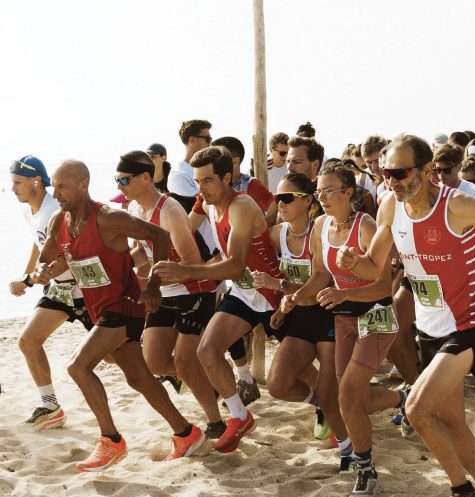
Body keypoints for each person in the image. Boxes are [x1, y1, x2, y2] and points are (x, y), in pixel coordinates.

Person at [337, 134, 475, 497]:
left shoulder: (455, 205)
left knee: (416, 409)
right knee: (452, 422)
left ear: (427, 171)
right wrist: (352, 262)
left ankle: (461, 492)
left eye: (400, 172)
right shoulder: (390, 204)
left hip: (467, 325)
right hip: (430, 328)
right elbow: (375, 266)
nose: (391, 180)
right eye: (386, 172)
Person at [34, 160, 204, 471]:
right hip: (101, 309)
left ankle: (110, 441)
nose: (54, 193)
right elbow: (50, 259)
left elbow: (160, 236)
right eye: (53, 186)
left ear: (83, 184)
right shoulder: (60, 221)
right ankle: (186, 433)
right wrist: (41, 272)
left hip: (124, 305)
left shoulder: (109, 217)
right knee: (139, 378)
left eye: (61, 186)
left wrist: (153, 281)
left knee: (78, 367)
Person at [278, 163, 404, 497]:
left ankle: (364, 468)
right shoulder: (320, 225)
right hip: (343, 318)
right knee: (352, 398)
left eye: (328, 190)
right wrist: (295, 299)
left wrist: (345, 291)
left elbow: (383, 287)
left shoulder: (366, 227)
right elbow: (320, 274)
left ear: (348, 192)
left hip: (375, 316)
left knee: (347, 394)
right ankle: (404, 399)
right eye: (318, 191)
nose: (321, 196)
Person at [154, 146, 286, 454]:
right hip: (243, 292)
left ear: (227, 178)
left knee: (294, 378)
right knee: (207, 351)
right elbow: (181, 231)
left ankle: (327, 412)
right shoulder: (206, 200)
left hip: (271, 294)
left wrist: (185, 270)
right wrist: (149, 245)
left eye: (208, 181)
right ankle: (240, 416)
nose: (201, 188)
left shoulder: (242, 206)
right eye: (198, 181)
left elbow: (236, 265)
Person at [121, 150, 225, 440]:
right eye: (117, 180)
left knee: (183, 362)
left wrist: (157, 276)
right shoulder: (133, 211)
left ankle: (216, 420)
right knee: (153, 361)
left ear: (145, 178)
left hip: (195, 286)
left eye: (125, 180)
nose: (120, 186)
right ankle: (210, 379)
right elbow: (143, 256)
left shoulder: (169, 210)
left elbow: (192, 262)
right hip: (165, 289)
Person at [256, 173, 349, 464]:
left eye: (287, 198)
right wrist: (281, 305)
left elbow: (323, 283)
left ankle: (350, 450)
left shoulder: (321, 232)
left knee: (339, 393)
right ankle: (323, 406)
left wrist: (281, 289)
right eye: (276, 198)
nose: (280, 204)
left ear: (308, 201)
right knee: (278, 385)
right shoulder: (277, 234)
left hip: (329, 316)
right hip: (300, 316)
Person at [10, 155, 88, 430]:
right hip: (60, 291)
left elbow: (68, 255)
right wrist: (26, 275)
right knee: (28, 341)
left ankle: (177, 372)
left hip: (86, 291)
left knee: (120, 359)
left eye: (17, 182)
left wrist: (31, 281)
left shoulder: (56, 210)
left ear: (36, 182)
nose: (12, 188)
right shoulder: (30, 211)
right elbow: (38, 244)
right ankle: (50, 406)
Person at [167, 119, 213, 212]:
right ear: (192, 140)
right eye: (207, 139)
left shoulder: (209, 168)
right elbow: (204, 205)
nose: (210, 144)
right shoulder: (178, 175)